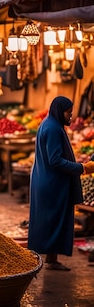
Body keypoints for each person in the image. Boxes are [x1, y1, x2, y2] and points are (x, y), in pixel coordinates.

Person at [29, 96, 94, 271]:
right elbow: (55, 160)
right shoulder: (52, 129)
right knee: (53, 222)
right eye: (68, 112)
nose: (71, 116)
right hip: (52, 183)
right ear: (60, 111)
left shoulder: (51, 124)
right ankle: (43, 260)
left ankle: (51, 259)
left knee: (51, 221)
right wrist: (82, 168)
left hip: (47, 180)